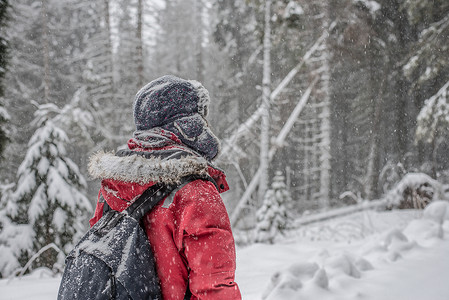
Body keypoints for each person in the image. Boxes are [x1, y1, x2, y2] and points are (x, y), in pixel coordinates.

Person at [88, 75, 242, 300]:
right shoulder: (196, 191)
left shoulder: (114, 185)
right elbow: (213, 286)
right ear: (189, 125)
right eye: (200, 119)